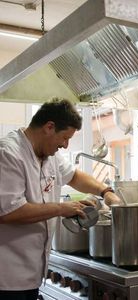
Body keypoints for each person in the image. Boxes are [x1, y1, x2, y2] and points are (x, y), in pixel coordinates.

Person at [0, 98, 121, 300]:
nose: (65, 145)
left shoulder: (49, 156)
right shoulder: (9, 154)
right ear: (49, 127)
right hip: (7, 277)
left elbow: (74, 176)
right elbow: (9, 212)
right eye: (64, 138)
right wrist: (62, 208)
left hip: (31, 274)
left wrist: (105, 191)